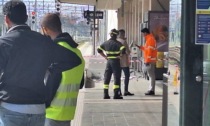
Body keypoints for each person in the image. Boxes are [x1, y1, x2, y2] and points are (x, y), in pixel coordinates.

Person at [0, 1, 81, 126]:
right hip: (38, 109)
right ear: (26, 18)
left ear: (6, 19)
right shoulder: (43, 41)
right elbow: (73, 59)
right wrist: (50, 68)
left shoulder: (4, 42)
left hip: (11, 107)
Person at [40, 13, 85, 126]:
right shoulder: (77, 52)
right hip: (68, 113)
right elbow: (80, 83)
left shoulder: (54, 51)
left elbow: (51, 81)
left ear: (45, 29)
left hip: (51, 112)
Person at [97, 29, 125, 99]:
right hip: (116, 61)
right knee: (116, 77)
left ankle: (105, 94)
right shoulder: (118, 43)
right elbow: (123, 49)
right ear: (116, 35)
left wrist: (105, 56)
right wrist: (120, 56)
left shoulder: (106, 43)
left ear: (110, 35)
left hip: (109, 61)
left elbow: (99, 50)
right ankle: (116, 94)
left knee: (107, 77)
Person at [136, 28, 157, 95]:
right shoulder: (149, 39)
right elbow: (147, 50)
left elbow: (149, 52)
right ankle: (151, 89)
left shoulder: (150, 39)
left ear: (145, 33)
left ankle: (151, 90)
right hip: (150, 60)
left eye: (142, 33)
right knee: (150, 75)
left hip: (150, 61)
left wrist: (147, 61)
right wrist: (140, 47)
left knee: (151, 75)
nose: (142, 35)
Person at [117, 29, 134, 96]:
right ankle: (126, 91)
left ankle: (119, 91)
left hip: (117, 62)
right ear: (123, 34)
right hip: (124, 62)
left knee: (118, 76)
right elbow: (128, 52)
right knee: (127, 76)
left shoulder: (116, 41)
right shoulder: (124, 42)